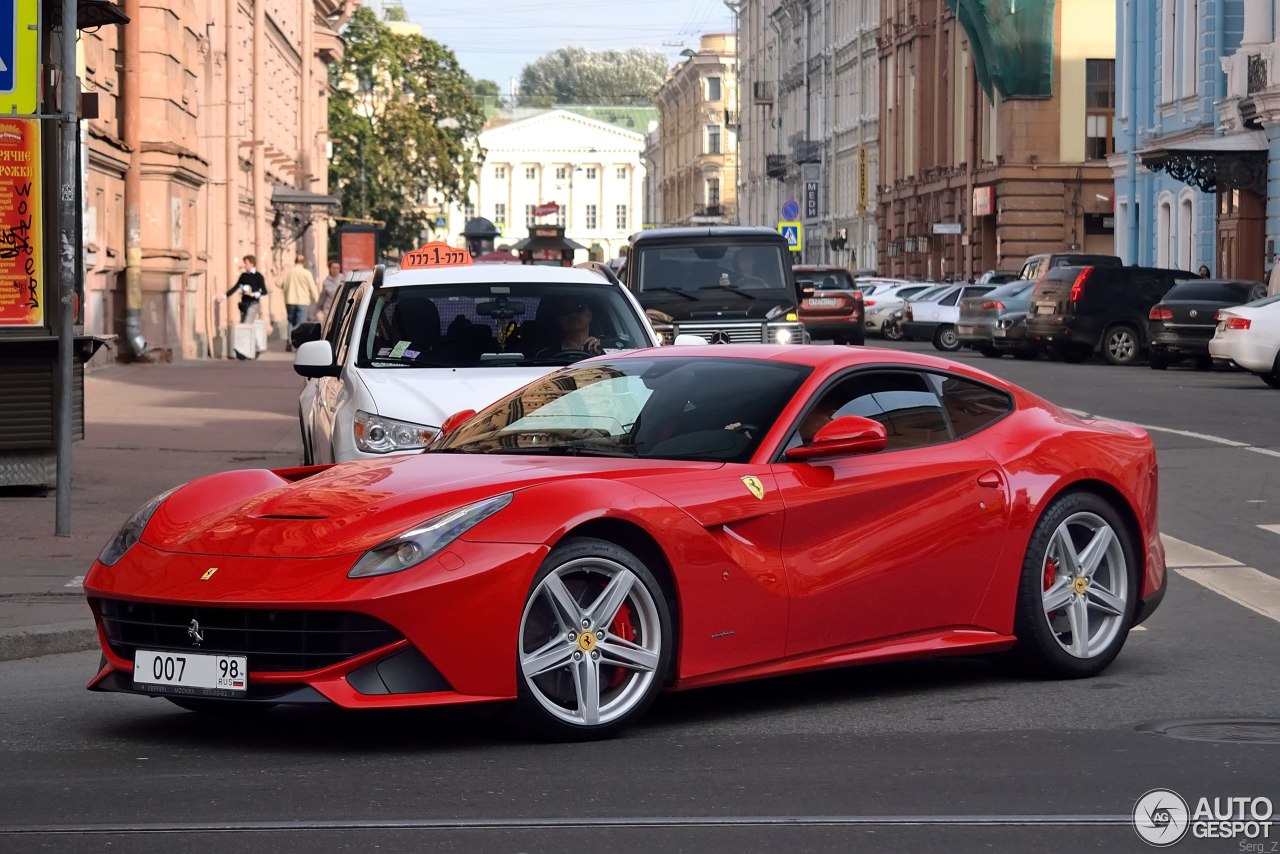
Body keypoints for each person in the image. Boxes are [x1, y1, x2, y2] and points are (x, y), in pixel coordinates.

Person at [276, 254, 320, 350]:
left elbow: (278, 283)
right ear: (303, 262)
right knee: (300, 323)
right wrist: (317, 300)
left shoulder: (288, 272)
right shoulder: (306, 273)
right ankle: (299, 343)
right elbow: (312, 287)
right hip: (302, 301)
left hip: (289, 300)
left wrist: (286, 287)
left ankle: (289, 340)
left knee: (290, 321)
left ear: (295, 261)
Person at [219, 255, 268, 324]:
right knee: (244, 323)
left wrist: (253, 294)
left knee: (247, 323)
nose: (244, 265)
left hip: (254, 303)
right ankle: (250, 334)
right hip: (244, 304)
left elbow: (265, 291)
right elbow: (236, 287)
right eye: (244, 263)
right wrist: (224, 296)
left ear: (252, 264)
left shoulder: (258, 276)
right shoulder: (243, 276)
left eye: (246, 263)